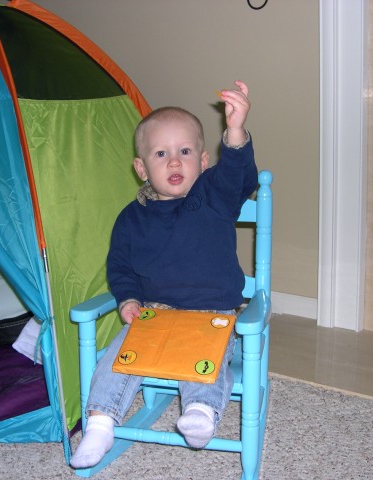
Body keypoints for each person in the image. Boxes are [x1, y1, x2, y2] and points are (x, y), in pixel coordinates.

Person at [70, 80, 258, 469]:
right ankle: (100, 425)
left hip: (212, 314)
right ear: (142, 168)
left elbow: (239, 176)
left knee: (202, 360)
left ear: (204, 161)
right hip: (154, 312)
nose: (175, 161)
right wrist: (128, 300)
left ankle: (201, 415)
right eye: (161, 153)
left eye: (185, 152)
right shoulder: (131, 218)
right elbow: (120, 267)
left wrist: (236, 132)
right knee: (117, 358)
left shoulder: (214, 197)